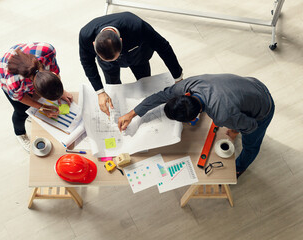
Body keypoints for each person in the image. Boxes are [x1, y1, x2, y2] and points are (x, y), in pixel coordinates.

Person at [118, 74, 274, 178]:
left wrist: (235, 130)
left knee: (251, 145)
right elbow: (161, 96)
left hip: (263, 106)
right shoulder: (189, 85)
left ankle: (240, 167)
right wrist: (132, 114)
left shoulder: (222, 115)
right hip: (250, 84)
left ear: (193, 118)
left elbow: (251, 126)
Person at [79, 11, 183, 116]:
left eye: (115, 57)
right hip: (108, 67)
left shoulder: (136, 26)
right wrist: (100, 92)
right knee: (114, 88)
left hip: (138, 56)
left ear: (121, 40)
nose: (115, 60)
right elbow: (87, 63)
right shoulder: (85, 35)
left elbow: (163, 47)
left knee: (145, 83)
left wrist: (178, 78)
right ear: (93, 44)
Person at [0, 42, 73, 152]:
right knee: (21, 111)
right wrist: (42, 107)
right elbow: (20, 97)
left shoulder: (48, 51)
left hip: (24, 60)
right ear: (34, 90)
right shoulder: (14, 83)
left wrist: (60, 92)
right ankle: (20, 133)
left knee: (33, 107)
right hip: (4, 70)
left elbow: (55, 71)